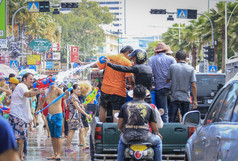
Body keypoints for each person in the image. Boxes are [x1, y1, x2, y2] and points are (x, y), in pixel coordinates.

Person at [79, 45, 135, 122]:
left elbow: (95, 65)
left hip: (105, 89)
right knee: (116, 112)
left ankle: (101, 128)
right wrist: (134, 86)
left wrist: (82, 64)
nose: (131, 59)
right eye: (131, 57)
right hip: (118, 91)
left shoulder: (109, 57)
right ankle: (116, 131)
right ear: (128, 53)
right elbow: (130, 80)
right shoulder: (127, 62)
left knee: (103, 109)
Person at [117, 85, 162, 161]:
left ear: (133, 95)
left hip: (128, 138)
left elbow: (119, 126)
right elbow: (154, 129)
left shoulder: (125, 106)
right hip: (146, 138)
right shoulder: (149, 107)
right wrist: (157, 134)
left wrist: (123, 132)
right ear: (144, 96)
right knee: (158, 142)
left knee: (121, 141)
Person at [8, 73, 44, 161]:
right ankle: (19, 157)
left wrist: (37, 87)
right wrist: (39, 91)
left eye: (33, 79)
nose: (32, 81)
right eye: (30, 79)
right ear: (24, 79)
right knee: (20, 139)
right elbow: (27, 94)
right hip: (17, 117)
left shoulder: (23, 86)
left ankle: (20, 156)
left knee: (21, 138)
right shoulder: (21, 86)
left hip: (18, 116)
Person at [38, 83, 69, 160]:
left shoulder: (58, 90)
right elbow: (42, 102)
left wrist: (67, 94)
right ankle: (55, 154)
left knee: (58, 136)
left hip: (58, 115)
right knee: (53, 137)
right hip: (49, 115)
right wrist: (37, 109)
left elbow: (65, 97)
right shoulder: (46, 92)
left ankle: (58, 154)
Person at [148, 42, 176, 123]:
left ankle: (165, 127)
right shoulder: (171, 59)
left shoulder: (152, 59)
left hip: (159, 87)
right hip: (172, 87)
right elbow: (175, 71)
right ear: (165, 50)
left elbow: (150, 73)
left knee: (163, 111)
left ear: (157, 51)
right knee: (173, 110)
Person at [167, 50, 198, 122]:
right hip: (186, 97)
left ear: (176, 58)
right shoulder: (191, 68)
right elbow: (193, 85)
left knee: (172, 118)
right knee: (186, 120)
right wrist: (195, 100)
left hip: (174, 97)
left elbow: (167, 80)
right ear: (185, 58)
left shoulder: (172, 67)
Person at [65, 84, 91, 152]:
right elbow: (77, 108)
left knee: (82, 130)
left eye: (80, 89)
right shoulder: (74, 97)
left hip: (77, 116)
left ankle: (84, 145)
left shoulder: (74, 96)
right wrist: (87, 115)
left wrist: (81, 106)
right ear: (74, 90)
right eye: (78, 89)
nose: (80, 91)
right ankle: (68, 147)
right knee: (71, 131)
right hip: (74, 116)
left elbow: (77, 106)